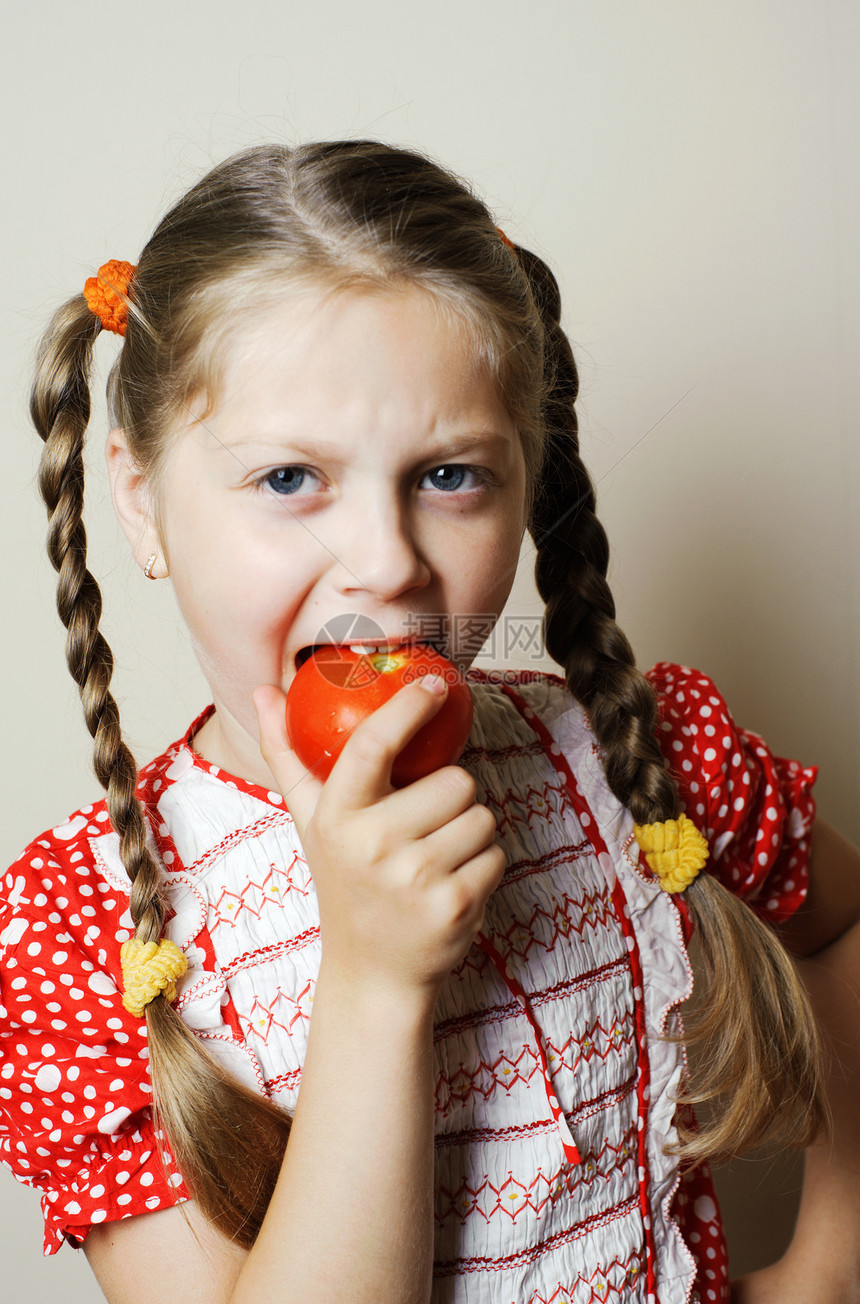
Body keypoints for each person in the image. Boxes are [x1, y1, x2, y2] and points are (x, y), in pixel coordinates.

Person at [2, 141, 859, 1304]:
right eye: (289, 478)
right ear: (142, 504)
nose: (386, 562)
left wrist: (826, 1258)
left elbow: (840, 924)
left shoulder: (633, 756)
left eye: (450, 475)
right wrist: (372, 978)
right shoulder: (81, 926)